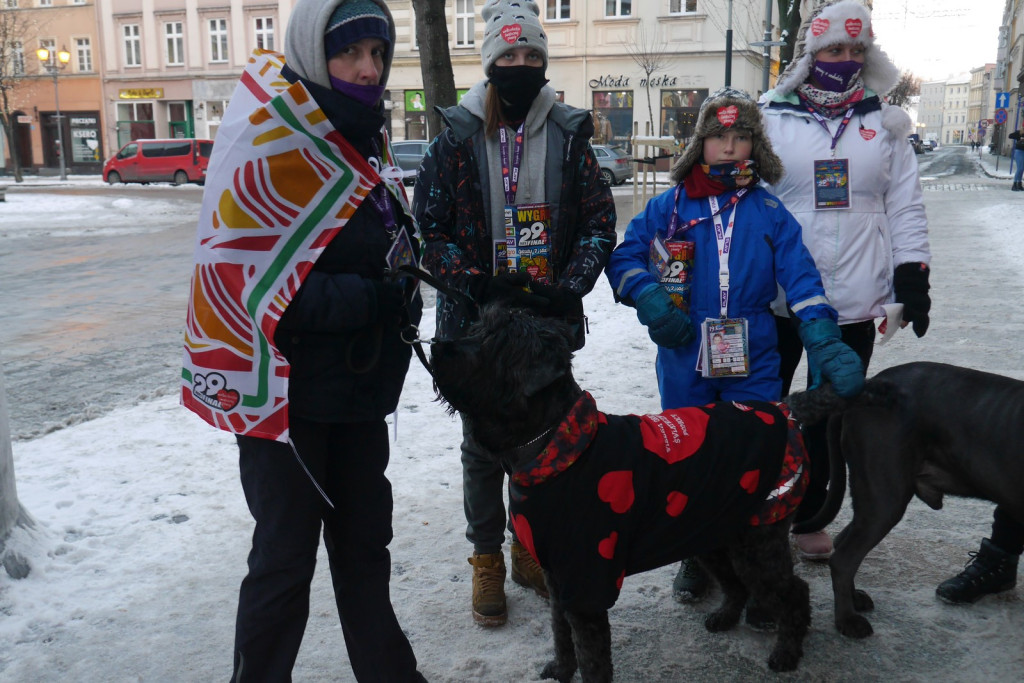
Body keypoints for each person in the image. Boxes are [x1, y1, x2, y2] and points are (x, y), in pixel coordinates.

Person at [182, 0, 427, 679]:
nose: (367, 68)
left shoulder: (363, 141)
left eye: (377, 53)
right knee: (284, 565)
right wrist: (372, 295)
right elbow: (245, 287)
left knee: (364, 556)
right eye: (350, 52)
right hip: (283, 409)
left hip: (357, 396)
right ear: (314, 54)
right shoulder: (271, 139)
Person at [604, 87, 865, 604]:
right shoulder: (667, 207)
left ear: (754, 146)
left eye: (740, 136)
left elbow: (803, 280)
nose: (729, 147)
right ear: (699, 144)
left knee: (756, 454)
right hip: (683, 350)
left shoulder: (768, 211)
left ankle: (760, 560)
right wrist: (652, 299)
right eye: (719, 136)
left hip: (754, 350)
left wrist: (821, 337)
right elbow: (625, 258)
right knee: (688, 456)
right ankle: (695, 555)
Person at [412, 0, 617, 627]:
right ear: (490, 64)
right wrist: (472, 282)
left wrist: (569, 287)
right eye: (509, 56)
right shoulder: (455, 137)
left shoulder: (569, 132)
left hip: (544, 321)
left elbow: (598, 222)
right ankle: (486, 560)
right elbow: (430, 228)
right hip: (476, 320)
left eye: (532, 55)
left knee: (545, 437)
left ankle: (530, 546)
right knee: (482, 445)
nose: (522, 65)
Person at [759, 0, 932, 564]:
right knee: (764, 408)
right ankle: (751, 514)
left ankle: (810, 515)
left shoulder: (885, 124)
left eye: (857, 50)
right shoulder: (770, 116)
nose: (846, 60)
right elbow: (747, 199)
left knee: (830, 414)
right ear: (812, 52)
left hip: (857, 297)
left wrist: (912, 277)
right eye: (835, 48)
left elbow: (905, 207)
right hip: (781, 296)